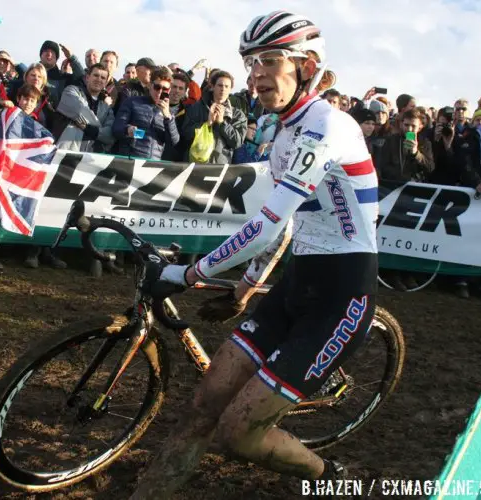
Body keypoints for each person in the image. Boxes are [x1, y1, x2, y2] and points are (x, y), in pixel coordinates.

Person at [130, 10, 377, 499]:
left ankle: (331, 479)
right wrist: (246, 287)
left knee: (238, 432)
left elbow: (264, 225)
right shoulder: (283, 133)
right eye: (249, 62)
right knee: (205, 404)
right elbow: (283, 226)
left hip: (342, 296)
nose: (255, 73)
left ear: (306, 66)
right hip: (296, 283)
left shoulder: (328, 124)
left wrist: (190, 273)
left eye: (269, 60)